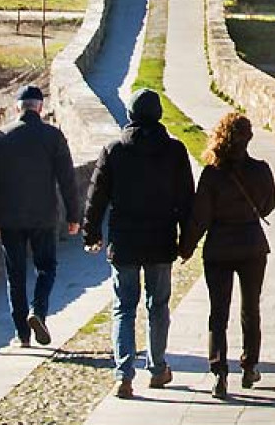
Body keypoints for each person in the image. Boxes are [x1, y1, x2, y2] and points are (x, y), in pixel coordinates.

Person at [83, 90, 194, 399]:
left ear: (130, 115)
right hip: (160, 239)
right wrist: (187, 241)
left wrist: (91, 233)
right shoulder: (174, 151)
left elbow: (97, 197)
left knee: (123, 307)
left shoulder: (115, 150)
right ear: (158, 115)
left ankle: (124, 375)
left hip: (125, 241)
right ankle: (158, 368)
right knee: (158, 306)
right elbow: (186, 200)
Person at [180, 113, 275, 398]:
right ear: (249, 138)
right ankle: (249, 366)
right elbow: (269, 206)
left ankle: (219, 373)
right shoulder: (261, 170)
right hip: (252, 245)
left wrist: (186, 248)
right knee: (251, 308)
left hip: (219, 247)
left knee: (218, 312)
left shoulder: (212, 174)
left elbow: (200, 217)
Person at [0, 84, 81, 348]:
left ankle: (22, 334)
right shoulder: (53, 136)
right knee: (46, 268)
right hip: (44, 216)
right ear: (40, 107)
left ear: (18, 107)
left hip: (9, 218)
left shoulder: (0, 137)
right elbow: (67, 180)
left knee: (15, 274)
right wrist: (74, 215)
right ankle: (37, 311)